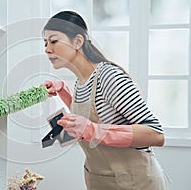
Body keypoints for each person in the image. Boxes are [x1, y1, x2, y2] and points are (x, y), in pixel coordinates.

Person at [42, 11, 169, 190]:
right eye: (45, 43)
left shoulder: (109, 76)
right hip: (102, 182)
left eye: (54, 41)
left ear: (77, 41)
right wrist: (63, 91)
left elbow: (156, 134)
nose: (47, 49)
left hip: (135, 183)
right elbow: (92, 118)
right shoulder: (80, 82)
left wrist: (92, 129)